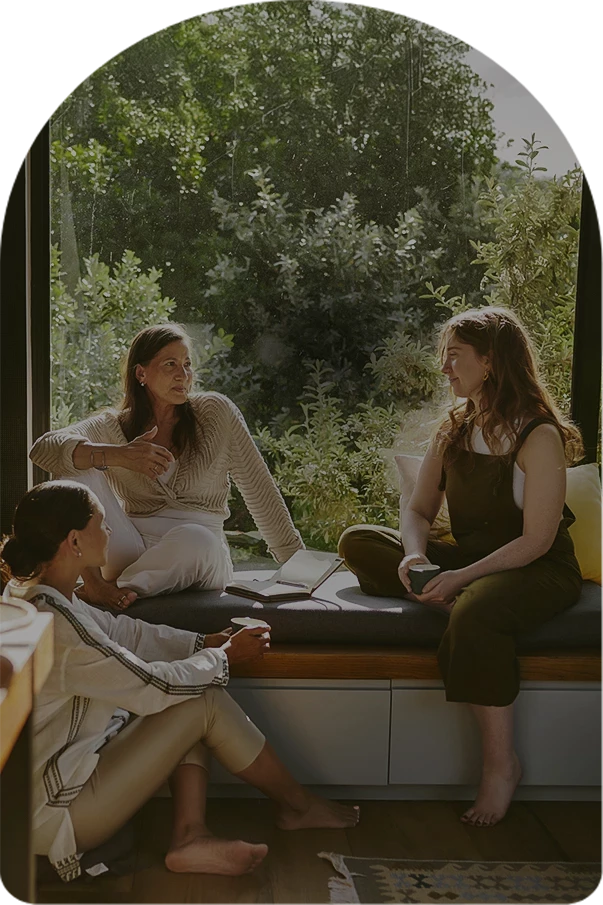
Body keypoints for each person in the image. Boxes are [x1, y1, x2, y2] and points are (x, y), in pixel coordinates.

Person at [0, 480, 359, 884]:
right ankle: (295, 806)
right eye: (101, 523)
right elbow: (158, 687)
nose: (110, 532)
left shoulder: (42, 595)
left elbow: (125, 633)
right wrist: (222, 657)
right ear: (74, 542)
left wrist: (203, 643)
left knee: (193, 687)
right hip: (51, 813)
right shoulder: (57, 625)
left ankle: (192, 836)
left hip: (49, 782)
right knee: (196, 698)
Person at [338, 306, 583, 827]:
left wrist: (463, 578)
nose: (444, 368)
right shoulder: (453, 428)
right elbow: (419, 510)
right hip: (474, 562)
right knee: (359, 540)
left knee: (474, 612)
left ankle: (501, 766)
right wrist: (414, 555)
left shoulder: (538, 436)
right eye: (443, 357)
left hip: (536, 568)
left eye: (455, 357)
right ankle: (451, 599)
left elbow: (538, 540)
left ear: (490, 362)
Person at [29, 323, 304, 612]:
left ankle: (106, 594)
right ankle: (96, 584)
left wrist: (297, 564)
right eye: (170, 364)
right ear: (141, 373)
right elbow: (44, 449)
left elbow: (260, 490)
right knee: (75, 464)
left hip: (199, 553)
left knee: (196, 539)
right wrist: (119, 455)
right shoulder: (113, 426)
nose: (183, 375)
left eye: (187, 364)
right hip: (131, 547)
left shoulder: (215, 412)